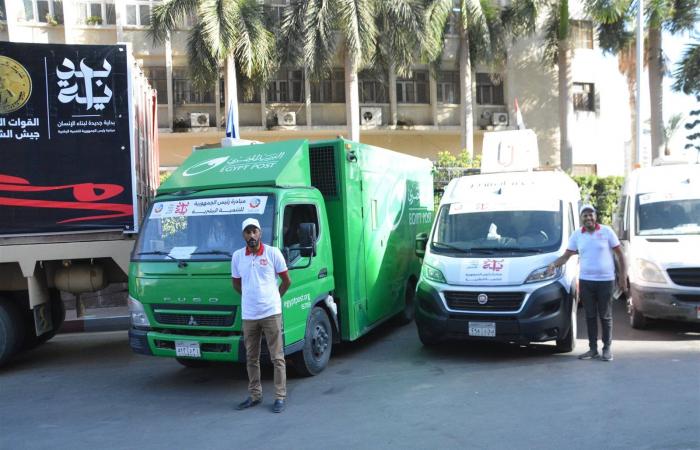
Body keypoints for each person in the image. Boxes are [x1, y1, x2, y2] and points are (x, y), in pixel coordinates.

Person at [547, 204, 628, 362]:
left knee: (605, 316)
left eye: (591, 215)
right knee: (590, 316)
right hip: (586, 281)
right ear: (581, 218)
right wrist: (553, 264)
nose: (588, 218)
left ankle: (607, 349)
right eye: (585, 215)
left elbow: (620, 254)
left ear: (595, 216)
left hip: (606, 281)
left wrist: (623, 277)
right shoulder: (577, 235)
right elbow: (566, 256)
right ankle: (592, 349)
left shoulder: (606, 231)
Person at [231, 217, 291, 413]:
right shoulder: (238, 257)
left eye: (254, 231)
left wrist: (275, 297)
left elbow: (286, 281)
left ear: (260, 233)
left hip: (271, 313)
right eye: (248, 232)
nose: (251, 235)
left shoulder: (273, 253)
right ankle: (255, 395)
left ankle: (280, 397)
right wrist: (250, 297)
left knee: (277, 357)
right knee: (251, 357)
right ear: (243, 235)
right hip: (249, 315)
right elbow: (237, 284)